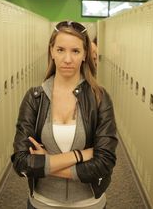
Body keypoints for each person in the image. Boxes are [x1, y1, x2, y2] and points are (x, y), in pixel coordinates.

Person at [11, 20, 118, 209]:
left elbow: (105, 163)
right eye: (60, 50)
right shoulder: (35, 98)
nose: (67, 59)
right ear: (51, 51)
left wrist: (45, 163)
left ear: (85, 54)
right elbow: (21, 162)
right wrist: (79, 155)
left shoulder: (99, 98)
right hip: (42, 203)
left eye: (75, 51)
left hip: (89, 203)